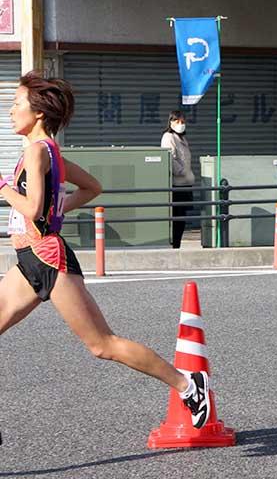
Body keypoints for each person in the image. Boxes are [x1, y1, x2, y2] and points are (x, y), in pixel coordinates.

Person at [0, 71, 210, 430]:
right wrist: (59, 207)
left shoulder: (38, 151)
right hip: (28, 260)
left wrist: (4, 188)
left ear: (38, 113)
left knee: (102, 345)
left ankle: (189, 386)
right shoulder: (45, 152)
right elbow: (91, 187)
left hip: (47, 258)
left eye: (16, 104)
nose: (10, 111)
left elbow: (33, 208)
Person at [161, 110, 195, 249]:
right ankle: (174, 246)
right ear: (170, 122)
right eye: (177, 121)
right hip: (177, 185)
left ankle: (177, 245)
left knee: (181, 219)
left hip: (185, 184)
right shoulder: (168, 137)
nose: (180, 124)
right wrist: (182, 172)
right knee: (177, 218)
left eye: (183, 121)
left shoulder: (181, 138)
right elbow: (170, 159)